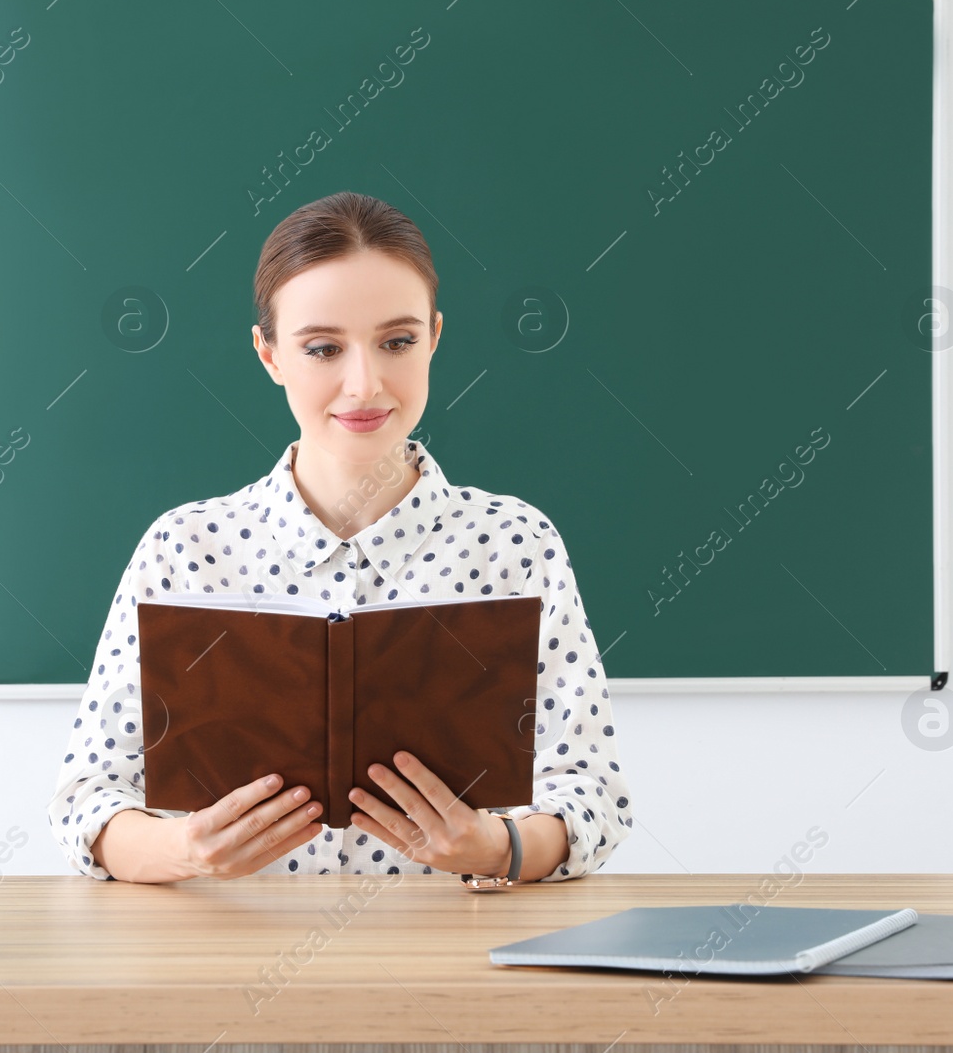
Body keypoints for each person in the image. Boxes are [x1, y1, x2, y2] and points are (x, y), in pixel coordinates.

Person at [46, 191, 633, 883]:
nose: (364, 384)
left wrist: (496, 847)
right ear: (269, 354)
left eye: (397, 341)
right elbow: (86, 802)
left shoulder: (514, 543)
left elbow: (594, 796)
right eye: (323, 348)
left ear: (435, 338)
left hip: (456, 963)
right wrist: (184, 851)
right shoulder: (184, 548)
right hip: (226, 961)